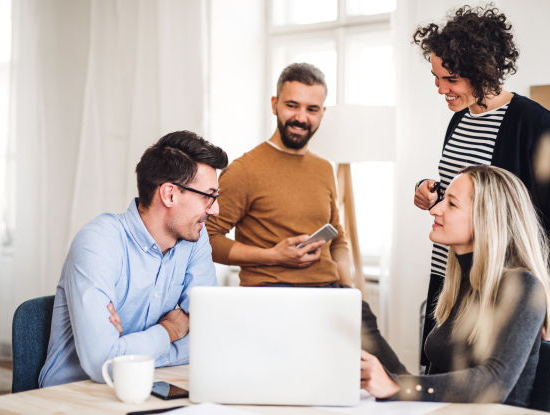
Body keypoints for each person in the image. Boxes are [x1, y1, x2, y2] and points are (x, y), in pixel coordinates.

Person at [206, 63, 404, 374]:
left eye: (312, 109)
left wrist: (348, 291)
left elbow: (337, 236)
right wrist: (272, 256)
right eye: (292, 105)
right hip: (274, 301)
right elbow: (207, 239)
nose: (301, 117)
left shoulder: (324, 168)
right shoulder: (244, 170)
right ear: (275, 105)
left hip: (333, 296)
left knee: (397, 381)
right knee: (308, 388)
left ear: (323, 112)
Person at [412, 4, 550, 370]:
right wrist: (430, 191)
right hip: (450, 277)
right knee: (442, 382)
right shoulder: (458, 122)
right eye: (436, 77)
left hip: (499, 289)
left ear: (481, 70)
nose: (441, 89)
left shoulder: (535, 123)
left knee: (492, 387)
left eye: (450, 79)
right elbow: (468, 194)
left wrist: (547, 301)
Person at [39, 131, 228, 387]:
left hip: (147, 386)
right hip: (73, 395)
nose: (214, 210)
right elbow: (102, 363)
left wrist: (125, 350)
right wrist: (170, 330)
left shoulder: (195, 239)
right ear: (169, 194)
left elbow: (209, 338)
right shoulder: (99, 242)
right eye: (207, 196)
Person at [362, 165, 550, 407]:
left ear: (486, 219)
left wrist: (398, 385)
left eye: (451, 204)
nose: (435, 209)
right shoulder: (463, 284)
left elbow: (493, 384)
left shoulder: (523, 287)